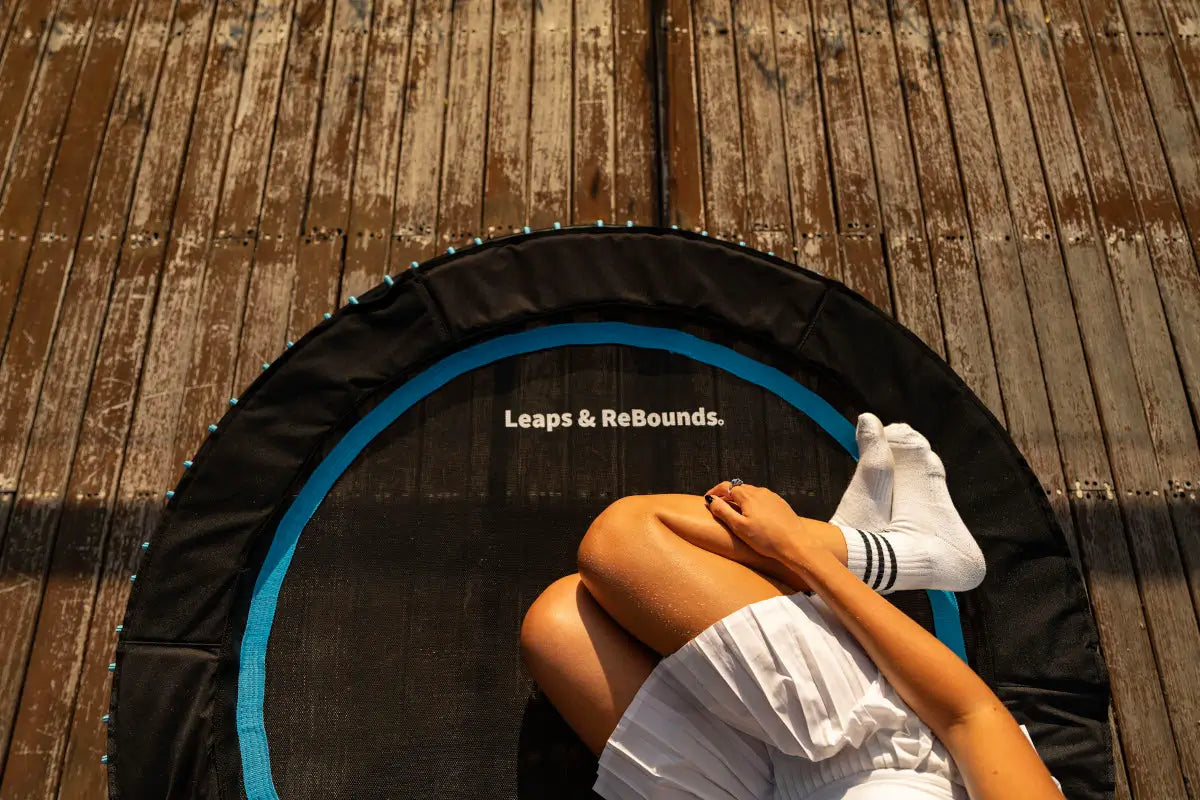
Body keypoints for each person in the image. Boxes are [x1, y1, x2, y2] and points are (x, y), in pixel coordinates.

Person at [520, 414, 1061, 800]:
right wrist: (798, 552)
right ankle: (907, 553)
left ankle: (839, 573)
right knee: (623, 540)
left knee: (558, 625)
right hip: (867, 753)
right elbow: (970, 717)